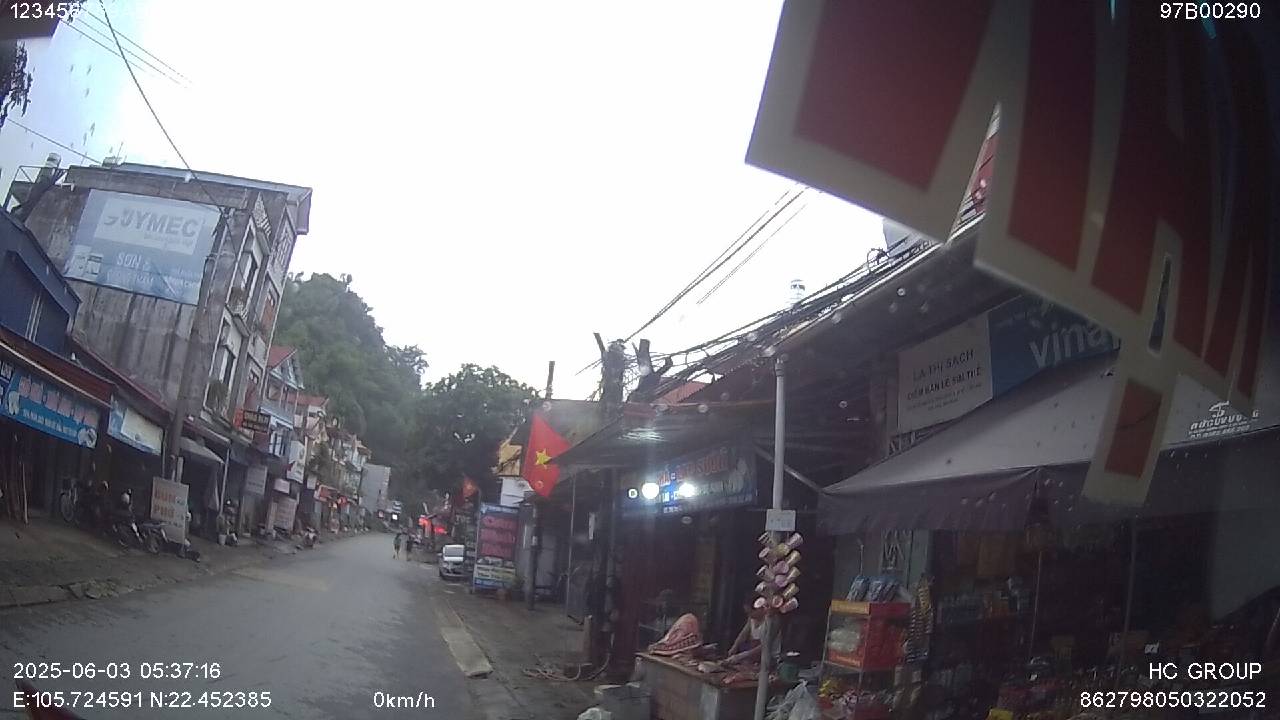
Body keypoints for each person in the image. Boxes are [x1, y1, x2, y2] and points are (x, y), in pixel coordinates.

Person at [727, 593, 780, 664]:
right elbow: (744, 633)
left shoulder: (771, 622)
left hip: (770, 659)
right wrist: (734, 647)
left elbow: (764, 645)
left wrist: (741, 656)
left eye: (750, 612)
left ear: (760, 609)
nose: (749, 615)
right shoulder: (751, 619)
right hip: (755, 659)